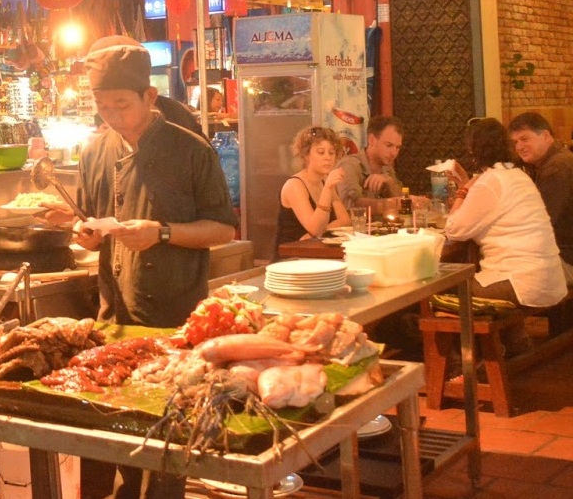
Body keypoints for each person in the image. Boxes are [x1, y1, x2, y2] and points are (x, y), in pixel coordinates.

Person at [46, 36, 235, 499]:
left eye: (122, 105)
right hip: (114, 318)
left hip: (174, 318)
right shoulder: (94, 151)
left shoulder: (191, 150)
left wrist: (163, 232)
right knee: (102, 440)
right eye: (102, 105)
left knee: (162, 454)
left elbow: (223, 229)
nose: (112, 116)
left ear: (150, 97)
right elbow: (92, 225)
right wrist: (82, 232)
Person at [443, 118, 567, 312]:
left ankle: (468, 343)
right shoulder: (517, 175)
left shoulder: (490, 181)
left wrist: (463, 189)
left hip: (520, 283)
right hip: (549, 279)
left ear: (473, 151)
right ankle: (517, 342)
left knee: (438, 292)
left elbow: (453, 230)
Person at [508, 112, 573, 289]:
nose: (519, 147)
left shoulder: (558, 167)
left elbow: (539, 223)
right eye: (515, 142)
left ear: (546, 136)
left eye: (525, 139)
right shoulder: (553, 161)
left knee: (500, 277)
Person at [278, 126, 353, 251]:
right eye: (321, 152)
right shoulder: (295, 185)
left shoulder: (324, 180)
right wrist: (328, 188)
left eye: (332, 152)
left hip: (315, 250)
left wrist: (322, 231)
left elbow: (345, 220)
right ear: (306, 155)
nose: (327, 157)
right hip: (292, 256)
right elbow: (315, 229)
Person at [333, 116, 405, 208]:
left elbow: (403, 203)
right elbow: (351, 205)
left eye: (397, 147)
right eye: (389, 145)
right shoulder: (349, 165)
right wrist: (389, 204)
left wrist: (390, 183)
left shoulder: (387, 169)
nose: (394, 153)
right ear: (371, 140)